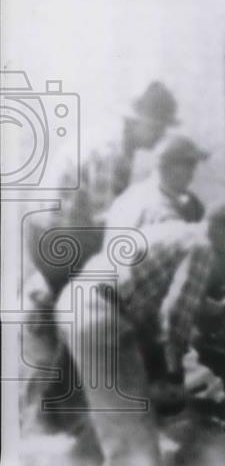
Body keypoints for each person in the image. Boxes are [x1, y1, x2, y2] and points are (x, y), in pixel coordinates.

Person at [55, 204, 225, 466]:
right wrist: (175, 373)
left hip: (79, 304)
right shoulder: (203, 246)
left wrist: (219, 309)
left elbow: (177, 297)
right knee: (133, 438)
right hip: (102, 315)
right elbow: (175, 315)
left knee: (119, 428)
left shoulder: (176, 231)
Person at [21, 81, 180, 433]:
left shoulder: (115, 143)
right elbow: (106, 224)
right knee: (100, 308)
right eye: (159, 127)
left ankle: (61, 408)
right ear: (141, 121)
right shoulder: (110, 152)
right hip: (58, 232)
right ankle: (64, 414)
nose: (160, 138)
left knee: (83, 307)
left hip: (56, 229)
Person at [104, 133, 207, 230]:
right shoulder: (159, 210)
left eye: (193, 165)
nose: (192, 171)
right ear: (166, 166)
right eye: (188, 164)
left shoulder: (135, 192)